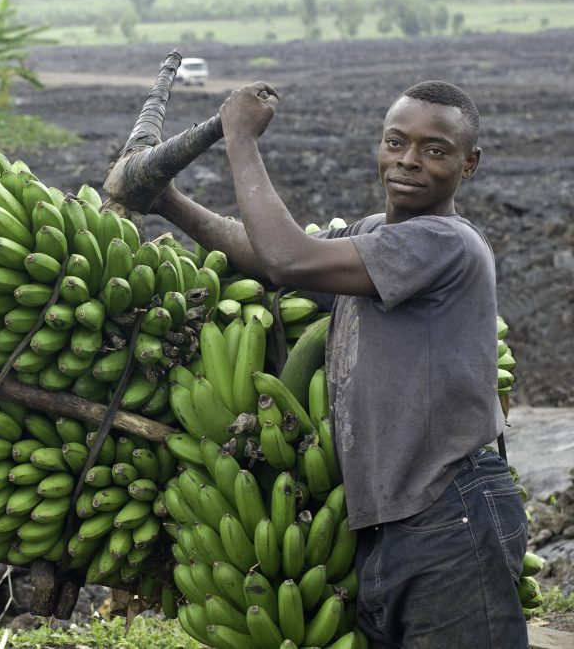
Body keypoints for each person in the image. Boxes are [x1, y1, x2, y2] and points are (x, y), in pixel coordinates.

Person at [148, 80, 528, 647]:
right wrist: (168, 201)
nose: (409, 161)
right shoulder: (376, 238)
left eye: (436, 150)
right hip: (393, 525)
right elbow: (267, 253)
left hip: (451, 511)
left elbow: (289, 259)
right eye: (396, 142)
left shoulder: (445, 243)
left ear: (469, 165)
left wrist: (242, 142)